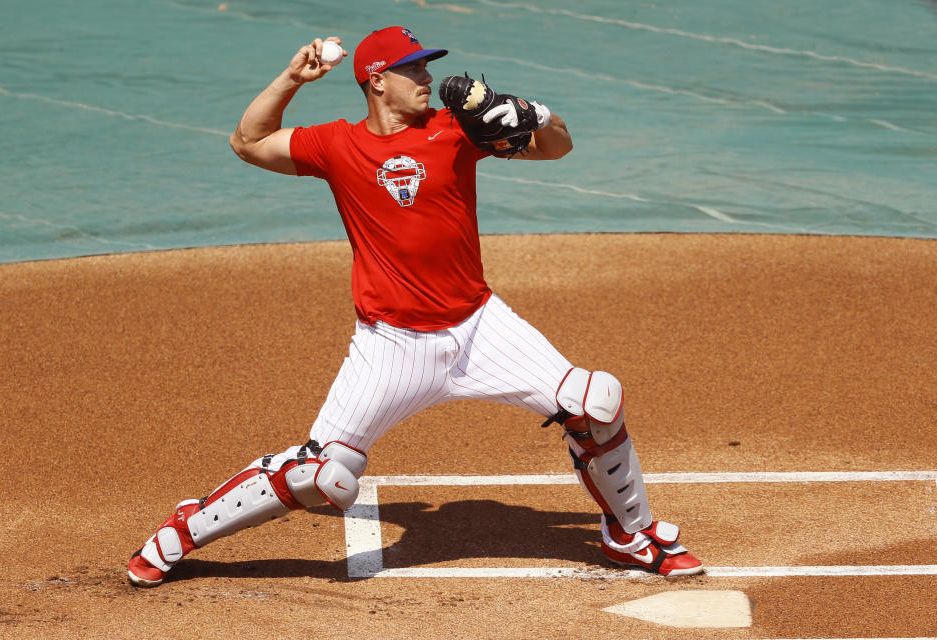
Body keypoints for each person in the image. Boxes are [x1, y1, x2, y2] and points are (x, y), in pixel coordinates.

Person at [126, 26, 703, 587]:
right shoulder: (336, 144)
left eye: (426, 65)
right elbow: (247, 143)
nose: (427, 77)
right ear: (377, 80)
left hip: (481, 327)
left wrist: (537, 113)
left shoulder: (456, 129)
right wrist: (291, 78)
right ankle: (184, 529)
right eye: (414, 68)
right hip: (392, 345)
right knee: (322, 476)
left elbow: (556, 148)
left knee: (595, 401)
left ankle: (631, 534)